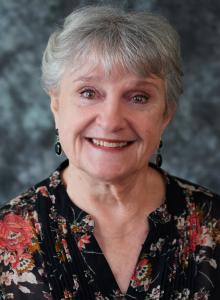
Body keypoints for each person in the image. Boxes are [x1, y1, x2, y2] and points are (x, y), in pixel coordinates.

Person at [0, 5, 219, 300]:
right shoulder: (5, 236)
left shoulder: (213, 224)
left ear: (165, 114)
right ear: (56, 105)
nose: (112, 121)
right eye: (89, 93)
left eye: (138, 97)